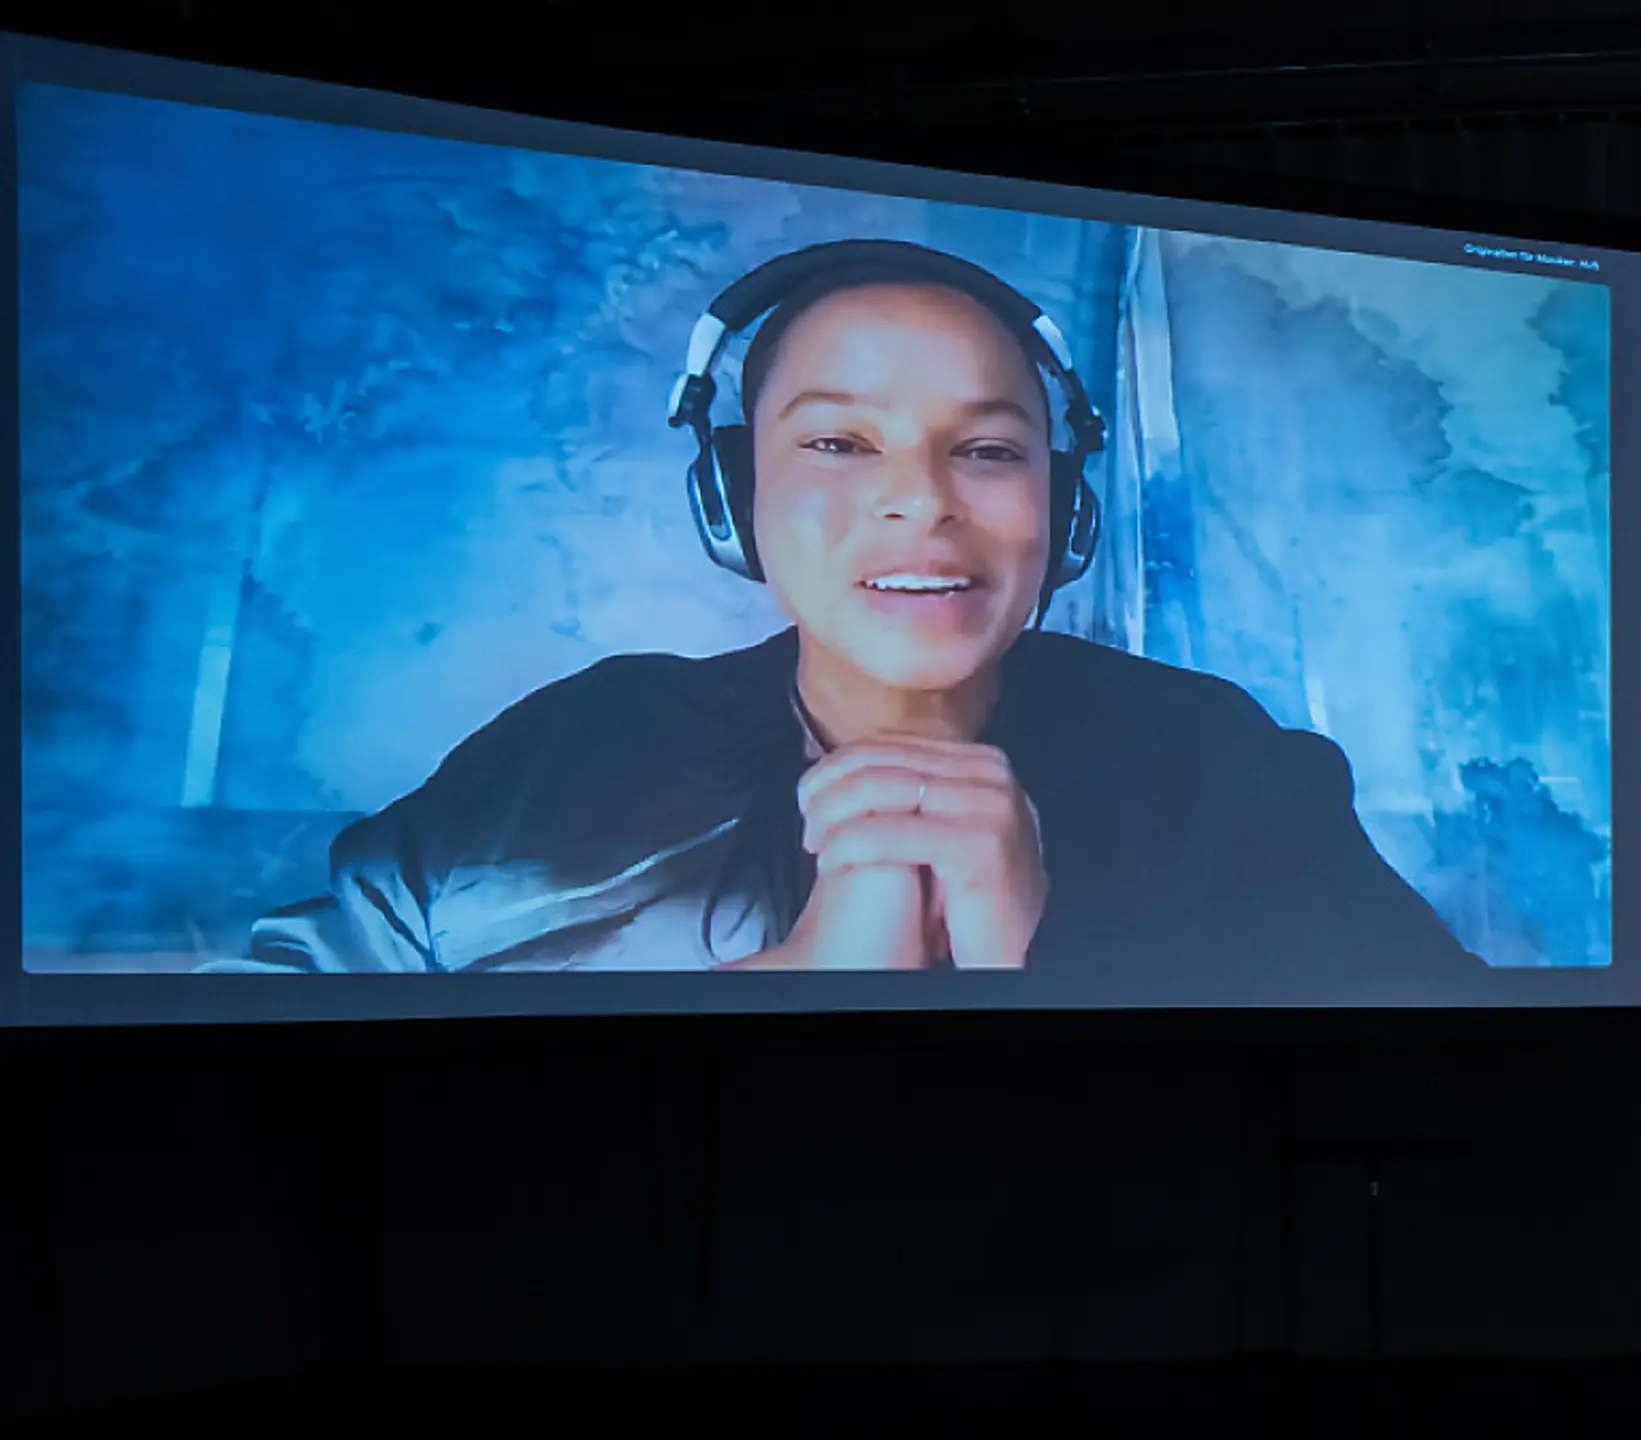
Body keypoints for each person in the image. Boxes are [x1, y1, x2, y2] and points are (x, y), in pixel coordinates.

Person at [234, 240, 1480, 996]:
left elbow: (1439, 1090)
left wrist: (1046, 966)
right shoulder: (572, 750)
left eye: (987, 449)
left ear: (1064, 507)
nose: (919, 504)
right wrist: (797, 993)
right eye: (837, 441)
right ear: (734, 496)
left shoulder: (1220, 764)